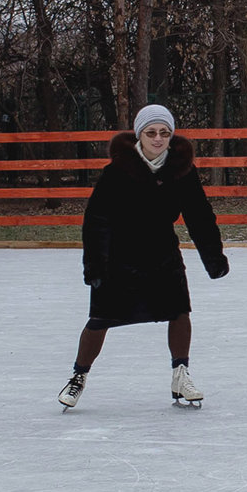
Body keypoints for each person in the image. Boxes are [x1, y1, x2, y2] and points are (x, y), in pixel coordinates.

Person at [58, 104, 229, 410]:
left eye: (164, 133)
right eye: (151, 133)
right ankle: (78, 377)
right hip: (119, 258)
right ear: (140, 135)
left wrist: (213, 258)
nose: (158, 139)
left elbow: (200, 216)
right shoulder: (116, 172)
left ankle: (181, 374)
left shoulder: (182, 171)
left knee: (179, 311)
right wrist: (94, 265)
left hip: (163, 254)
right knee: (100, 319)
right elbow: (96, 220)